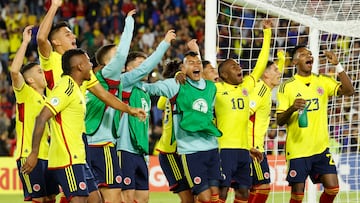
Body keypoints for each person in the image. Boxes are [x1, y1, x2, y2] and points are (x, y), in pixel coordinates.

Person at [36, 1, 145, 202]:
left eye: (72, 33)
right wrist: (55, 6)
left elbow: (105, 95)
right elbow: (41, 37)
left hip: (81, 138)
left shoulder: (84, 71)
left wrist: (129, 110)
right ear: (57, 42)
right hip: (65, 140)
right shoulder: (51, 60)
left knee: (93, 198)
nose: (74, 36)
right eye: (67, 34)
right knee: (82, 197)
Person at [85, 14, 175, 203]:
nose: (144, 68)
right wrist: (163, 43)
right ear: (124, 67)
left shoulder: (140, 88)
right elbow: (142, 68)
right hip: (115, 147)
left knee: (138, 198)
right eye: (138, 64)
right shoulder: (121, 81)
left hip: (136, 149)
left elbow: (160, 84)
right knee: (114, 197)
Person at [138, 50, 222, 203]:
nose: (214, 73)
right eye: (211, 70)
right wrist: (177, 76)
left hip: (200, 148)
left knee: (203, 196)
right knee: (191, 198)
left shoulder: (211, 89)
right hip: (172, 151)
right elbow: (162, 102)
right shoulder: (175, 88)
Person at [276, 45, 354, 203]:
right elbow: (279, 121)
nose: (309, 56)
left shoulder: (322, 81)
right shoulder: (287, 87)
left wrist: (337, 65)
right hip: (298, 150)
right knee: (297, 195)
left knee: (333, 188)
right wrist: (292, 108)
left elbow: (349, 90)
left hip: (320, 148)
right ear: (295, 61)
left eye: (310, 54)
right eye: (304, 54)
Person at [21, 48, 95, 203]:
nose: (91, 65)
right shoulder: (65, 88)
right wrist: (34, 153)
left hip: (78, 156)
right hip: (67, 157)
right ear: (79, 66)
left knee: (95, 199)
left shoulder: (75, 88)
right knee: (79, 199)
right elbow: (41, 118)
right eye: (88, 62)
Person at [215, 19, 272, 203]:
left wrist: (268, 33)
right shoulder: (215, 89)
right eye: (233, 67)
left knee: (243, 193)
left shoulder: (246, 86)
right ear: (224, 75)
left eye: (238, 65)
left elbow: (261, 64)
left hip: (244, 150)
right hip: (223, 149)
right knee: (222, 193)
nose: (239, 67)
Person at [11, 25, 59, 203]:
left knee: (50, 199)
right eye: (40, 71)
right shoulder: (25, 93)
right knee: (37, 200)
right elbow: (15, 71)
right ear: (30, 80)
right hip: (29, 155)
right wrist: (25, 42)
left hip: (49, 157)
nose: (44, 73)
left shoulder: (49, 99)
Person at [247, 50, 285, 203]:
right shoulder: (261, 90)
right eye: (276, 70)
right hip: (252, 147)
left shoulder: (266, 90)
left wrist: (281, 59)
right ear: (265, 75)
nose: (279, 73)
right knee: (262, 186)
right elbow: (244, 114)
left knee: (252, 188)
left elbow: (276, 70)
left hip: (254, 146)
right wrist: (247, 145)